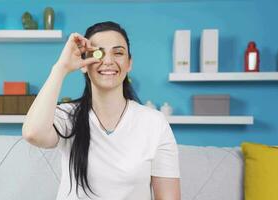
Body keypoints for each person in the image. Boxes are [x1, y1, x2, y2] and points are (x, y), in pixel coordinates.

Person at [22, 21, 181, 200]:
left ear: (129, 63)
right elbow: (32, 133)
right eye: (98, 53)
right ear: (84, 64)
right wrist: (61, 68)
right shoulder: (67, 116)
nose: (108, 61)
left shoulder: (154, 122)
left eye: (118, 53)